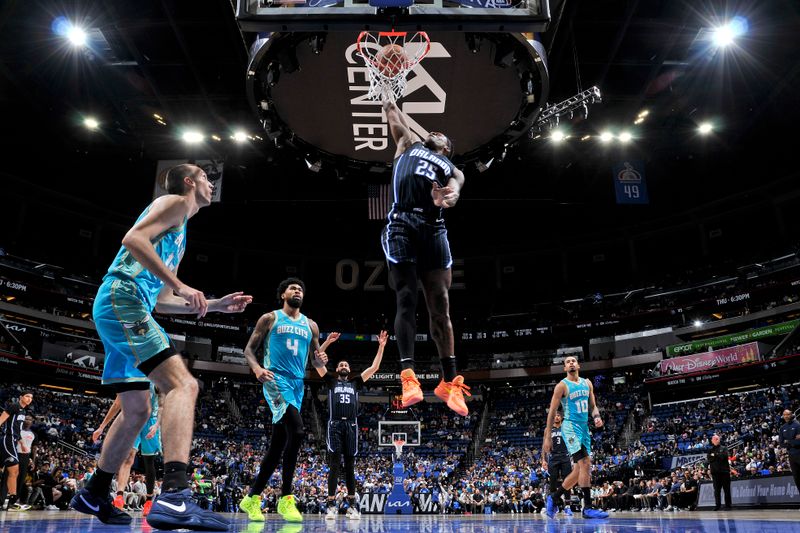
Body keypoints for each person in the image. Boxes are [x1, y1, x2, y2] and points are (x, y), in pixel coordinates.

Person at [70, 163, 253, 529]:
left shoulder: (181, 231)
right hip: (123, 300)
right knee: (183, 385)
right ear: (189, 182)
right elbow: (133, 240)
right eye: (205, 176)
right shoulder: (173, 203)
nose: (210, 182)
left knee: (138, 410)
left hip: (130, 304)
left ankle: (94, 490)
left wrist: (213, 304)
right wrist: (184, 285)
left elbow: (163, 298)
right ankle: (175, 495)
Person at [381, 98, 470, 416]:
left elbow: (458, 184)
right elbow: (393, 117)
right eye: (434, 132)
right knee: (406, 297)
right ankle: (408, 377)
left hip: (434, 229)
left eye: (443, 135)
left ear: (447, 148)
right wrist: (388, 98)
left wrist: (452, 194)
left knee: (440, 307)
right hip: (402, 223)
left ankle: (450, 382)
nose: (436, 132)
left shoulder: (451, 168)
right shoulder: (408, 143)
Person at [238, 278, 329, 523]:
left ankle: (252, 498)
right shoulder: (270, 318)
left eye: (300, 289)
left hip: (298, 384)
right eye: (293, 288)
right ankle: (286, 498)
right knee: (298, 432)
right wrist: (257, 369)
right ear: (283, 295)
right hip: (276, 380)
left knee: (278, 444)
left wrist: (322, 361)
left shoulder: (311, 326)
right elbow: (248, 350)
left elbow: (317, 363)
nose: (297, 291)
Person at [319, 330, 388, 520]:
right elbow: (317, 361)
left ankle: (352, 506)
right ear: (337, 369)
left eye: (345, 364)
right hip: (334, 425)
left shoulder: (356, 382)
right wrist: (327, 343)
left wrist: (381, 347)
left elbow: (374, 367)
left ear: (349, 370)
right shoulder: (331, 381)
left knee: (350, 466)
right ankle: (331, 505)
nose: (343, 366)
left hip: (351, 426)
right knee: (334, 464)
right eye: (340, 364)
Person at [542, 357, 608, 519]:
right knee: (585, 463)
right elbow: (552, 412)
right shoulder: (562, 386)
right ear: (565, 368)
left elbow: (593, 406)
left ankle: (555, 497)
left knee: (580, 469)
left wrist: (597, 416)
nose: (571, 363)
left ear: (578, 365)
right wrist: (547, 437)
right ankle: (588, 508)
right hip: (570, 427)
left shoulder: (587, 383)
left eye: (573, 361)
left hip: (584, 427)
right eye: (567, 362)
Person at [92, 384, 162, 516]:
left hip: (151, 422)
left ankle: (148, 500)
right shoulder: (131, 376)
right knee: (128, 456)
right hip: (134, 420)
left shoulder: (155, 376)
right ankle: (119, 496)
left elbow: (162, 405)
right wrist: (102, 426)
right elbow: (118, 402)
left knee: (149, 462)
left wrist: (157, 424)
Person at [0, 391, 33, 511]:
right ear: (21, 397)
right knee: (14, 470)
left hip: (14, 441)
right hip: (7, 439)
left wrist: (22, 444)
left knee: (13, 472)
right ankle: (13, 502)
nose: (29, 399)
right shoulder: (14, 406)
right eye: (27, 396)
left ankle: (12, 501)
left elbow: (17, 430)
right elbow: (1, 419)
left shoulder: (24, 412)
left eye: (31, 397)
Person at [541, 411, 573, 516]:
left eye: (558, 415)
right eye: (554, 416)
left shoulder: (566, 427)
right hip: (553, 457)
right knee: (553, 483)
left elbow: (572, 440)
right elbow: (544, 446)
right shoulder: (548, 429)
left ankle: (567, 507)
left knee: (567, 481)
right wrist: (543, 460)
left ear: (561, 417)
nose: (556, 417)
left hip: (565, 456)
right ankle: (555, 505)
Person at [707, 434, 732, 510]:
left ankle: (728, 505)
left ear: (718, 440)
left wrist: (715, 455)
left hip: (724, 472)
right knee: (717, 490)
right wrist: (716, 455)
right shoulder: (710, 450)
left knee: (726, 489)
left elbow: (723, 457)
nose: (713, 440)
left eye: (715, 439)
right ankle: (717, 505)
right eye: (713, 439)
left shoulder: (724, 448)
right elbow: (709, 458)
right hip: (715, 473)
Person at [779, 409, 800, 500]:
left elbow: (799, 442)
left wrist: (788, 441)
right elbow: (781, 443)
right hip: (791, 456)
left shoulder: (798, 425)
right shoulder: (782, 428)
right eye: (784, 415)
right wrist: (793, 441)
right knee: (797, 479)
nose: (786, 416)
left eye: (788, 414)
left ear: (791, 415)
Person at [15, 416, 35, 508]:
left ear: (32, 422)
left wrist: (32, 461)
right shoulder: (17, 430)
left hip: (26, 457)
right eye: (26, 419)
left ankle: (15, 500)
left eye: (30, 419)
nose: (28, 421)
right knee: (12, 477)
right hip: (15, 454)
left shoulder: (34, 434)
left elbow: (34, 449)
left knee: (21, 479)